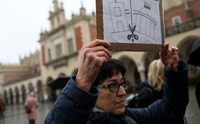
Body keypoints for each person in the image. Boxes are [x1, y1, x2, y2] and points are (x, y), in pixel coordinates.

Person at [44, 39, 189, 124]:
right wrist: (81, 84)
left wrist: (172, 72)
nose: (123, 92)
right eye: (112, 85)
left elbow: (170, 110)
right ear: (91, 91)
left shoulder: (128, 116)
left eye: (122, 84)